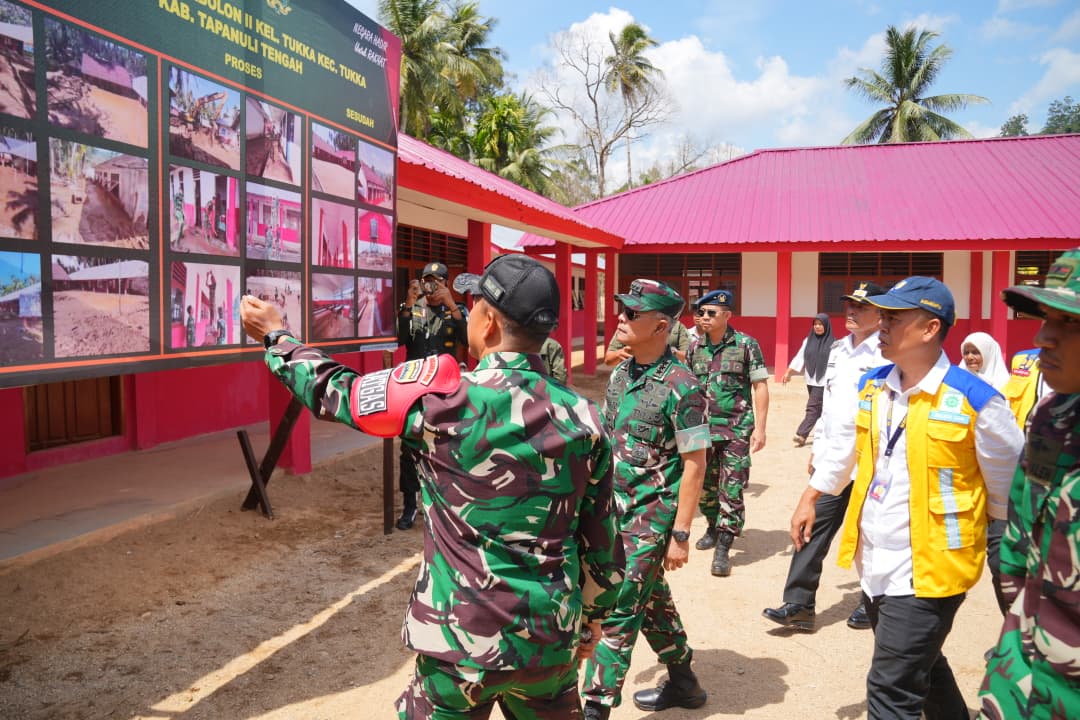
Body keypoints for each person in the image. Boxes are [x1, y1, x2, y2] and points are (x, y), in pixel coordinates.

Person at [240, 254, 623, 719]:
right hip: (548, 643)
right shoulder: (587, 418)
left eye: (475, 306)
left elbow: (336, 392)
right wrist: (589, 623)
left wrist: (278, 338)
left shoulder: (441, 404)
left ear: (489, 324)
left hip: (456, 645)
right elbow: (602, 541)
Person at [792, 276, 1023, 720]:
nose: (882, 322)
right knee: (923, 663)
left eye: (894, 317)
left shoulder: (977, 400)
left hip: (932, 567)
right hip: (876, 559)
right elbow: (845, 448)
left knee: (890, 686)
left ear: (930, 328)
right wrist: (811, 495)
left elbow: (1007, 492)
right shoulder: (874, 385)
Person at [581, 278, 710, 720]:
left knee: (618, 609)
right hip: (614, 511)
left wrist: (680, 533)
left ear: (659, 325)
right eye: (621, 310)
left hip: (650, 520)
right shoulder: (621, 373)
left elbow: (695, 463)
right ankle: (684, 681)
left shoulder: (682, 386)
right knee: (650, 597)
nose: (620, 318)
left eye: (630, 314)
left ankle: (595, 707)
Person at [979, 248, 1080, 720]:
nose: (1044, 337)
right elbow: (1019, 553)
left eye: (1071, 324)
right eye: (1046, 319)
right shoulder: (1052, 418)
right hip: (1022, 681)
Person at [763, 281, 886, 632]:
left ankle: (872, 601)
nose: (851, 311)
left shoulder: (886, 354)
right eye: (849, 304)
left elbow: (860, 420)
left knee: (870, 532)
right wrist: (818, 450)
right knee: (811, 525)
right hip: (833, 458)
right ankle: (798, 605)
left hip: (871, 462)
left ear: (880, 315)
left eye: (861, 307)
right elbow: (831, 409)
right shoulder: (838, 349)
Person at [686, 289, 769, 577]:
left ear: (727, 316)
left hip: (735, 429)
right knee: (704, 488)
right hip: (700, 431)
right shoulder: (694, 347)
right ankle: (711, 525)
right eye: (701, 312)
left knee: (731, 487)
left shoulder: (746, 345)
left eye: (711, 313)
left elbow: (760, 386)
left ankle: (724, 544)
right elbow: (685, 387)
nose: (704, 317)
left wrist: (760, 428)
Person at [395, 261, 467, 530]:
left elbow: (469, 341)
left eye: (437, 280)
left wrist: (451, 304)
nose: (431, 284)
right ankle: (410, 505)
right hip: (414, 389)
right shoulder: (413, 309)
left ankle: (444, 505)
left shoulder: (457, 310)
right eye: (427, 279)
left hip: (446, 390)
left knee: (448, 447)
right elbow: (401, 339)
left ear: (446, 283)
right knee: (409, 448)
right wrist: (408, 303)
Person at [780, 312, 834, 446]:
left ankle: (801, 434)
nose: (818, 327)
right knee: (820, 408)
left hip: (824, 381)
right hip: (810, 379)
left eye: (821, 324)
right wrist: (788, 372)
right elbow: (799, 357)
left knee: (813, 407)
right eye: (815, 324)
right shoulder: (808, 340)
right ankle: (828, 434)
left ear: (826, 326)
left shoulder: (834, 344)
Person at [603, 313, 690, 365]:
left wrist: (669, 352)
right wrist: (620, 353)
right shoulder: (627, 327)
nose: (621, 317)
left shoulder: (678, 327)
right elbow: (608, 360)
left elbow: (687, 357)